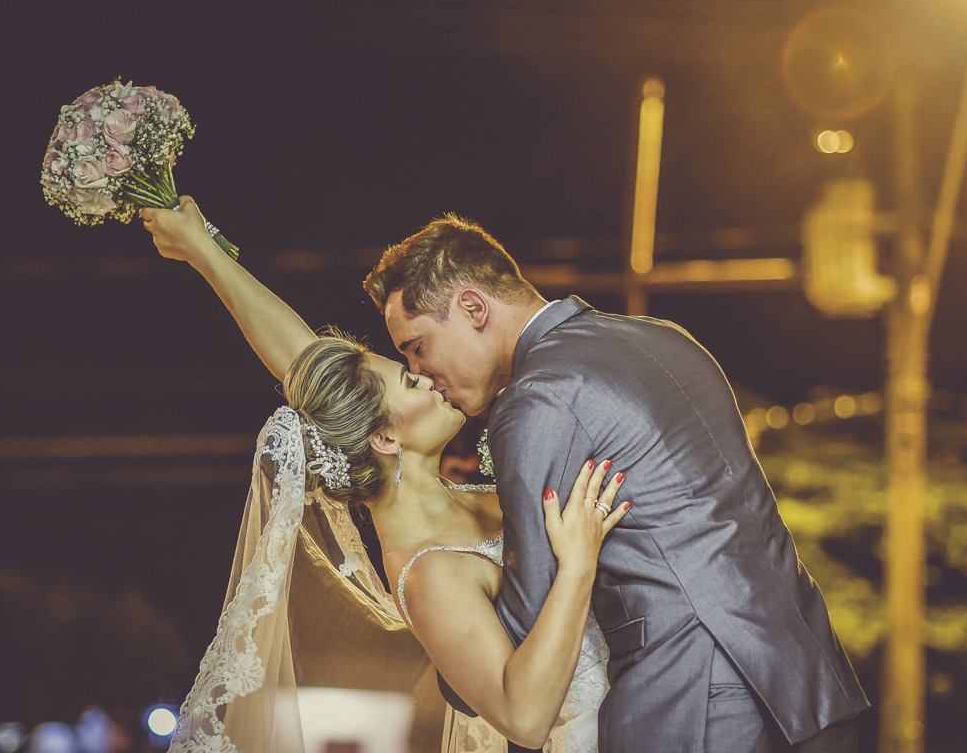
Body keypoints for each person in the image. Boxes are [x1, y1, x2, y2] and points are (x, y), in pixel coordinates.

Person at [363, 215, 870, 752]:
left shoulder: (537, 402)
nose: (420, 368)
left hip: (691, 706)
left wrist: (450, 639)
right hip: (810, 680)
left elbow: (527, 627)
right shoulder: (663, 337)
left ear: (472, 308)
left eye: (417, 346)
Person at [140, 198, 626, 753]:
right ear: (387, 439)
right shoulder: (428, 577)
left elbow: (307, 363)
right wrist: (578, 566)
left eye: (418, 362)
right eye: (412, 377)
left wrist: (203, 249)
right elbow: (523, 716)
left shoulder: (475, 492)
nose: (428, 373)